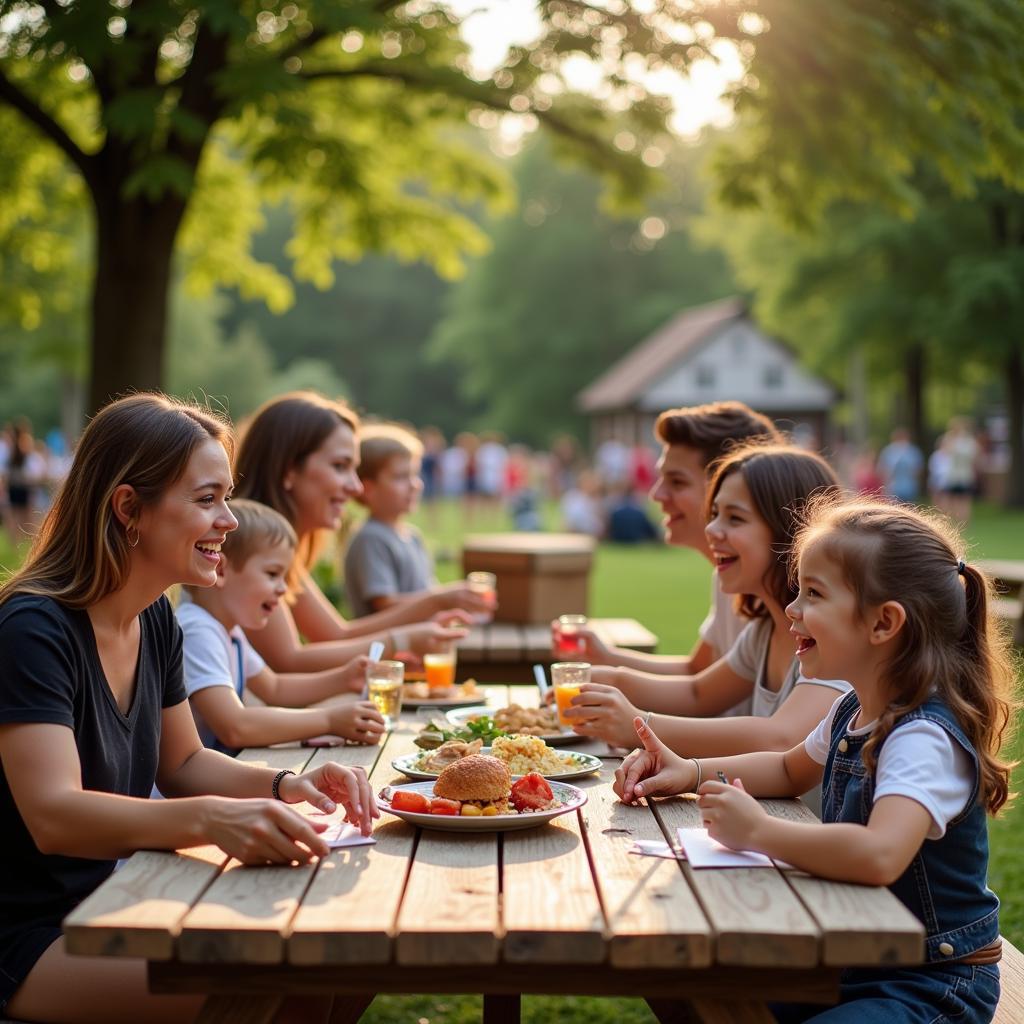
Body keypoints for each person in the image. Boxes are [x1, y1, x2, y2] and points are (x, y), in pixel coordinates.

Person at [0, 393, 377, 1024]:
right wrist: (211, 821)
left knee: (337, 954)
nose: (229, 519)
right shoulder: (32, 630)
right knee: (265, 973)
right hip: (34, 939)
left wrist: (289, 785)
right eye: (206, 499)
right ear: (129, 508)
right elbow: (54, 815)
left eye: (226, 497)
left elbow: (185, 762)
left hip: (122, 895)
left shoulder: (156, 619)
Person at [615, 497, 1015, 1023]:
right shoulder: (854, 706)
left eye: (814, 594)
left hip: (928, 986)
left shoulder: (922, 737)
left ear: (883, 624)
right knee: (704, 981)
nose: (792, 610)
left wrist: (759, 832)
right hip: (853, 963)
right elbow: (786, 769)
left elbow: (878, 855)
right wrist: (686, 771)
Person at [565, 444, 851, 813]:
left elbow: (781, 737)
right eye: (714, 514)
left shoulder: (836, 638)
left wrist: (638, 723)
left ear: (790, 532)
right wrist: (610, 678)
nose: (712, 528)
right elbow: (700, 692)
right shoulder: (763, 631)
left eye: (734, 518)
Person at [232, 392, 483, 673]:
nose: (356, 487)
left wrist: (435, 604)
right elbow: (289, 661)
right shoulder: (250, 545)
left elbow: (336, 635)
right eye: (340, 467)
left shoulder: (278, 547)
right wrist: (402, 641)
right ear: (289, 470)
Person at [578, 401, 780, 678]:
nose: (656, 495)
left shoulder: (783, 599)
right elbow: (697, 671)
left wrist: (617, 680)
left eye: (677, 482)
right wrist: (605, 657)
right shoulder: (727, 578)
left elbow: (701, 691)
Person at [179, 498, 385, 755]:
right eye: (272, 574)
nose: (283, 588)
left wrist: (343, 679)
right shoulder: (197, 630)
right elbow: (235, 727)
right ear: (221, 570)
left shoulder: (227, 631)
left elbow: (274, 688)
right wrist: (329, 720)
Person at [344, 423, 465, 618]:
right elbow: (385, 604)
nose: (415, 485)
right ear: (368, 489)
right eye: (401, 477)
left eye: (414, 474)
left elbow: (428, 591)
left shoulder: (413, 536)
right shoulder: (371, 538)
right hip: (385, 647)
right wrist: (444, 599)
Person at [877, 427, 923, 504]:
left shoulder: (913, 451)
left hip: (910, 487)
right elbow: (882, 469)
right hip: (893, 488)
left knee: (909, 509)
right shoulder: (888, 451)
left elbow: (918, 470)